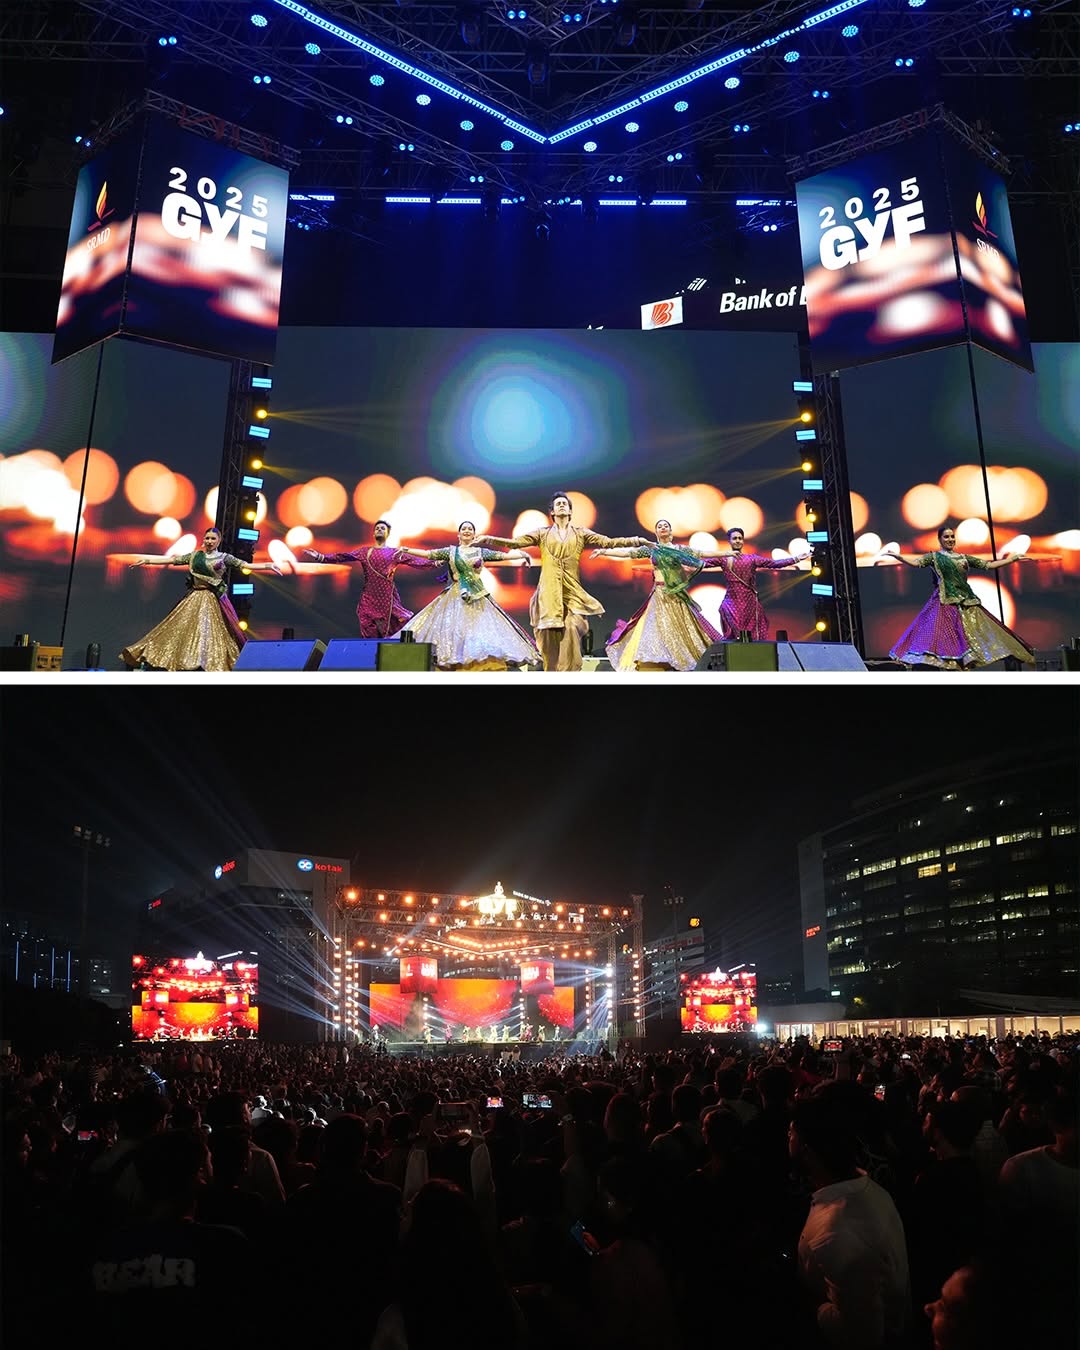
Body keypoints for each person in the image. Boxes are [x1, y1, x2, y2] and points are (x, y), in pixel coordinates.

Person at [789, 1091, 910, 1349]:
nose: (787, 1139)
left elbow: (860, 1334)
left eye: (791, 1134)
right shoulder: (866, 1190)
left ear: (807, 1148)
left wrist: (813, 1306)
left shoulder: (839, 1234)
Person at [475, 493, 648, 671]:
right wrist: (489, 539)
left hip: (572, 592)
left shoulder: (581, 533)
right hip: (548, 594)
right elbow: (515, 543)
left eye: (565, 504)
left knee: (573, 627)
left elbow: (608, 542)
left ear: (571, 511)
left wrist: (636, 541)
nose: (562, 506)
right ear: (552, 512)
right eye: (558, 504)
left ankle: (569, 673)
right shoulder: (542, 534)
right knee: (549, 639)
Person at [121, 527, 280, 671]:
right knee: (182, 631)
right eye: (207, 538)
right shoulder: (195, 556)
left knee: (210, 633)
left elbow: (245, 565)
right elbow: (172, 560)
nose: (209, 541)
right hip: (194, 597)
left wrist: (267, 565)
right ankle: (184, 662)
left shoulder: (224, 558)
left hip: (211, 599)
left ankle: (208, 663)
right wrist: (147, 561)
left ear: (219, 541)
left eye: (212, 539)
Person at [880, 525, 1035, 668]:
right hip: (945, 603)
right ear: (939, 540)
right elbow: (916, 563)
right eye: (946, 537)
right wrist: (898, 557)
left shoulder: (963, 558)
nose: (950, 540)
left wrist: (1012, 559)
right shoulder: (934, 557)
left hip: (966, 601)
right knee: (944, 640)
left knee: (984, 634)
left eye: (952, 536)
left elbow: (988, 565)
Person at [396, 521, 539, 670]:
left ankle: (477, 665)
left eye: (470, 529)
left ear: (474, 534)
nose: (467, 531)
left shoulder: (480, 552)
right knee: (454, 631)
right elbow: (429, 554)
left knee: (478, 630)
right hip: (455, 596)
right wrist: (407, 550)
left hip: (477, 596)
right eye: (464, 529)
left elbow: (501, 556)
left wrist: (521, 554)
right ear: (459, 535)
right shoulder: (451, 552)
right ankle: (454, 663)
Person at [592, 520, 722, 671]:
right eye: (659, 526)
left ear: (671, 531)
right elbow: (628, 553)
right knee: (656, 627)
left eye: (665, 525)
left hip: (676, 595)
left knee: (684, 628)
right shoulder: (651, 550)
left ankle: (682, 658)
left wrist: (726, 553)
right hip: (659, 594)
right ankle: (658, 660)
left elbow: (701, 553)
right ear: (656, 533)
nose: (663, 528)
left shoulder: (679, 549)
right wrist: (604, 551)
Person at [304, 519, 441, 638]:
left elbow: (414, 561)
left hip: (387, 599)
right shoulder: (364, 552)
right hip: (368, 598)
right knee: (368, 629)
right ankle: (369, 658)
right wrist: (321, 557)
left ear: (388, 533)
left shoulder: (395, 553)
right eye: (377, 528)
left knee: (394, 626)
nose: (380, 530)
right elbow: (343, 556)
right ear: (373, 533)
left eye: (383, 528)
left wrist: (435, 563)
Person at [701, 527, 803, 640]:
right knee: (736, 636)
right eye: (735, 538)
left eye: (740, 538)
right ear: (729, 541)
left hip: (750, 605)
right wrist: (681, 559)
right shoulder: (724, 559)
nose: (738, 541)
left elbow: (774, 563)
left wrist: (796, 559)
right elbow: (702, 564)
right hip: (732, 602)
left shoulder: (752, 559)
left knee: (753, 637)